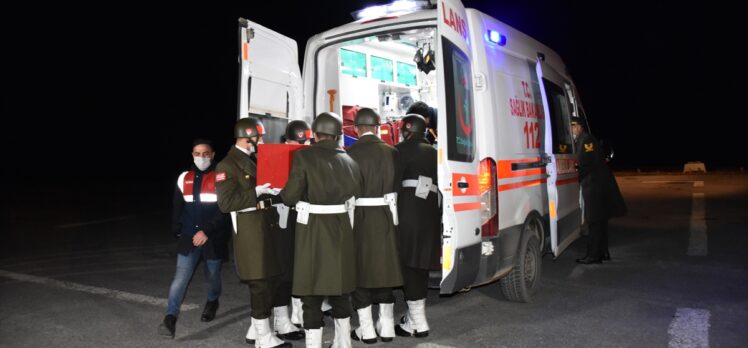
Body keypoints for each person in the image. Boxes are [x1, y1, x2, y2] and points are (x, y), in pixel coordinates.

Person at [279, 112, 362, 348]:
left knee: (311, 293)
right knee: (340, 290)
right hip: (341, 228)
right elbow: (355, 190)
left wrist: (284, 195)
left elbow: (290, 196)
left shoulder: (304, 157)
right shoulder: (350, 160)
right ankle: (343, 343)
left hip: (312, 229)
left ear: (314, 134)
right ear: (337, 135)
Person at [215, 117, 292, 348]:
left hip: (266, 224)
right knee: (259, 283)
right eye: (258, 137)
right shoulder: (227, 165)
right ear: (247, 137)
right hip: (250, 228)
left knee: (272, 278)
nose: (262, 140)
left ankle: (257, 331)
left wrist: (276, 191)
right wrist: (256, 191)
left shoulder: (254, 159)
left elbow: (265, 190)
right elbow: (226, 204)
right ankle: (263, 338)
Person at [158, 139, 232, 339]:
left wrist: (206, 231)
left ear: (213, 154)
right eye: (197, 153)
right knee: (180, 278)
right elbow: (177, 206)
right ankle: (170, 318)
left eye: (205, 153)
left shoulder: (221, 177)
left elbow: (225, 210)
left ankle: (213, 300)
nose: (201, 157)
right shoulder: (184, 177)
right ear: (192, 155)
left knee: (213, 276)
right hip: (189, 237)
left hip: (213, 238)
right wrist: (177, 230)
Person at [346, 108, 403, 344]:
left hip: (359, 215)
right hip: (387, 214)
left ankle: (367, 329)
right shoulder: (393, 152)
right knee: (385, 268)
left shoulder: (349, 152)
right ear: (378, 127)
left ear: (357, 128)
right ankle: (387, 326)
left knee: (360, 270)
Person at [393, 114, 440, 338]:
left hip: (408, 211)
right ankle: (415, 320)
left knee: (409, 264)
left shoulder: (400, 149)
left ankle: (418, 321)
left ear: (406, 129)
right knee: (421, 264)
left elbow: (392, 182)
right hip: (430, 212)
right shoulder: (435, 151)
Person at [571, 116, 627, 264]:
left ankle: (593, 256)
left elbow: (586, 163)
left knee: (594, 221)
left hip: (595, 185)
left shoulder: (586, 140)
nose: (571, 130)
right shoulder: (583, 139)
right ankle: (603, 252)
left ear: (579, 127)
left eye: (573, 126)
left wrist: (575, 171)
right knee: (601, 220)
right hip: (597, 184)